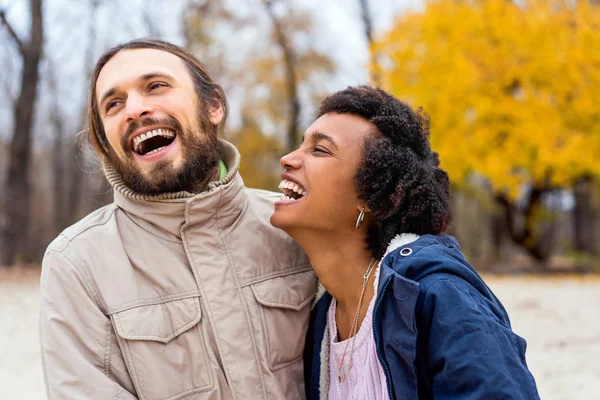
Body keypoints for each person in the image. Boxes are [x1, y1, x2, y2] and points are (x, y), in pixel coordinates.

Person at [39, 39, 316, 400]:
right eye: (114, 104)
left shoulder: (295, 224)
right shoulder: (77, 264)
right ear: (106, 144)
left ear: (213, 105)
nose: (135, 109)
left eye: (155, 86)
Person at [271, 85, 540, 399]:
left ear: (371, 196)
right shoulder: (321, 319)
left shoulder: (439, 297)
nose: (287, 159)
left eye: (320, 150)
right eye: (301, 145)